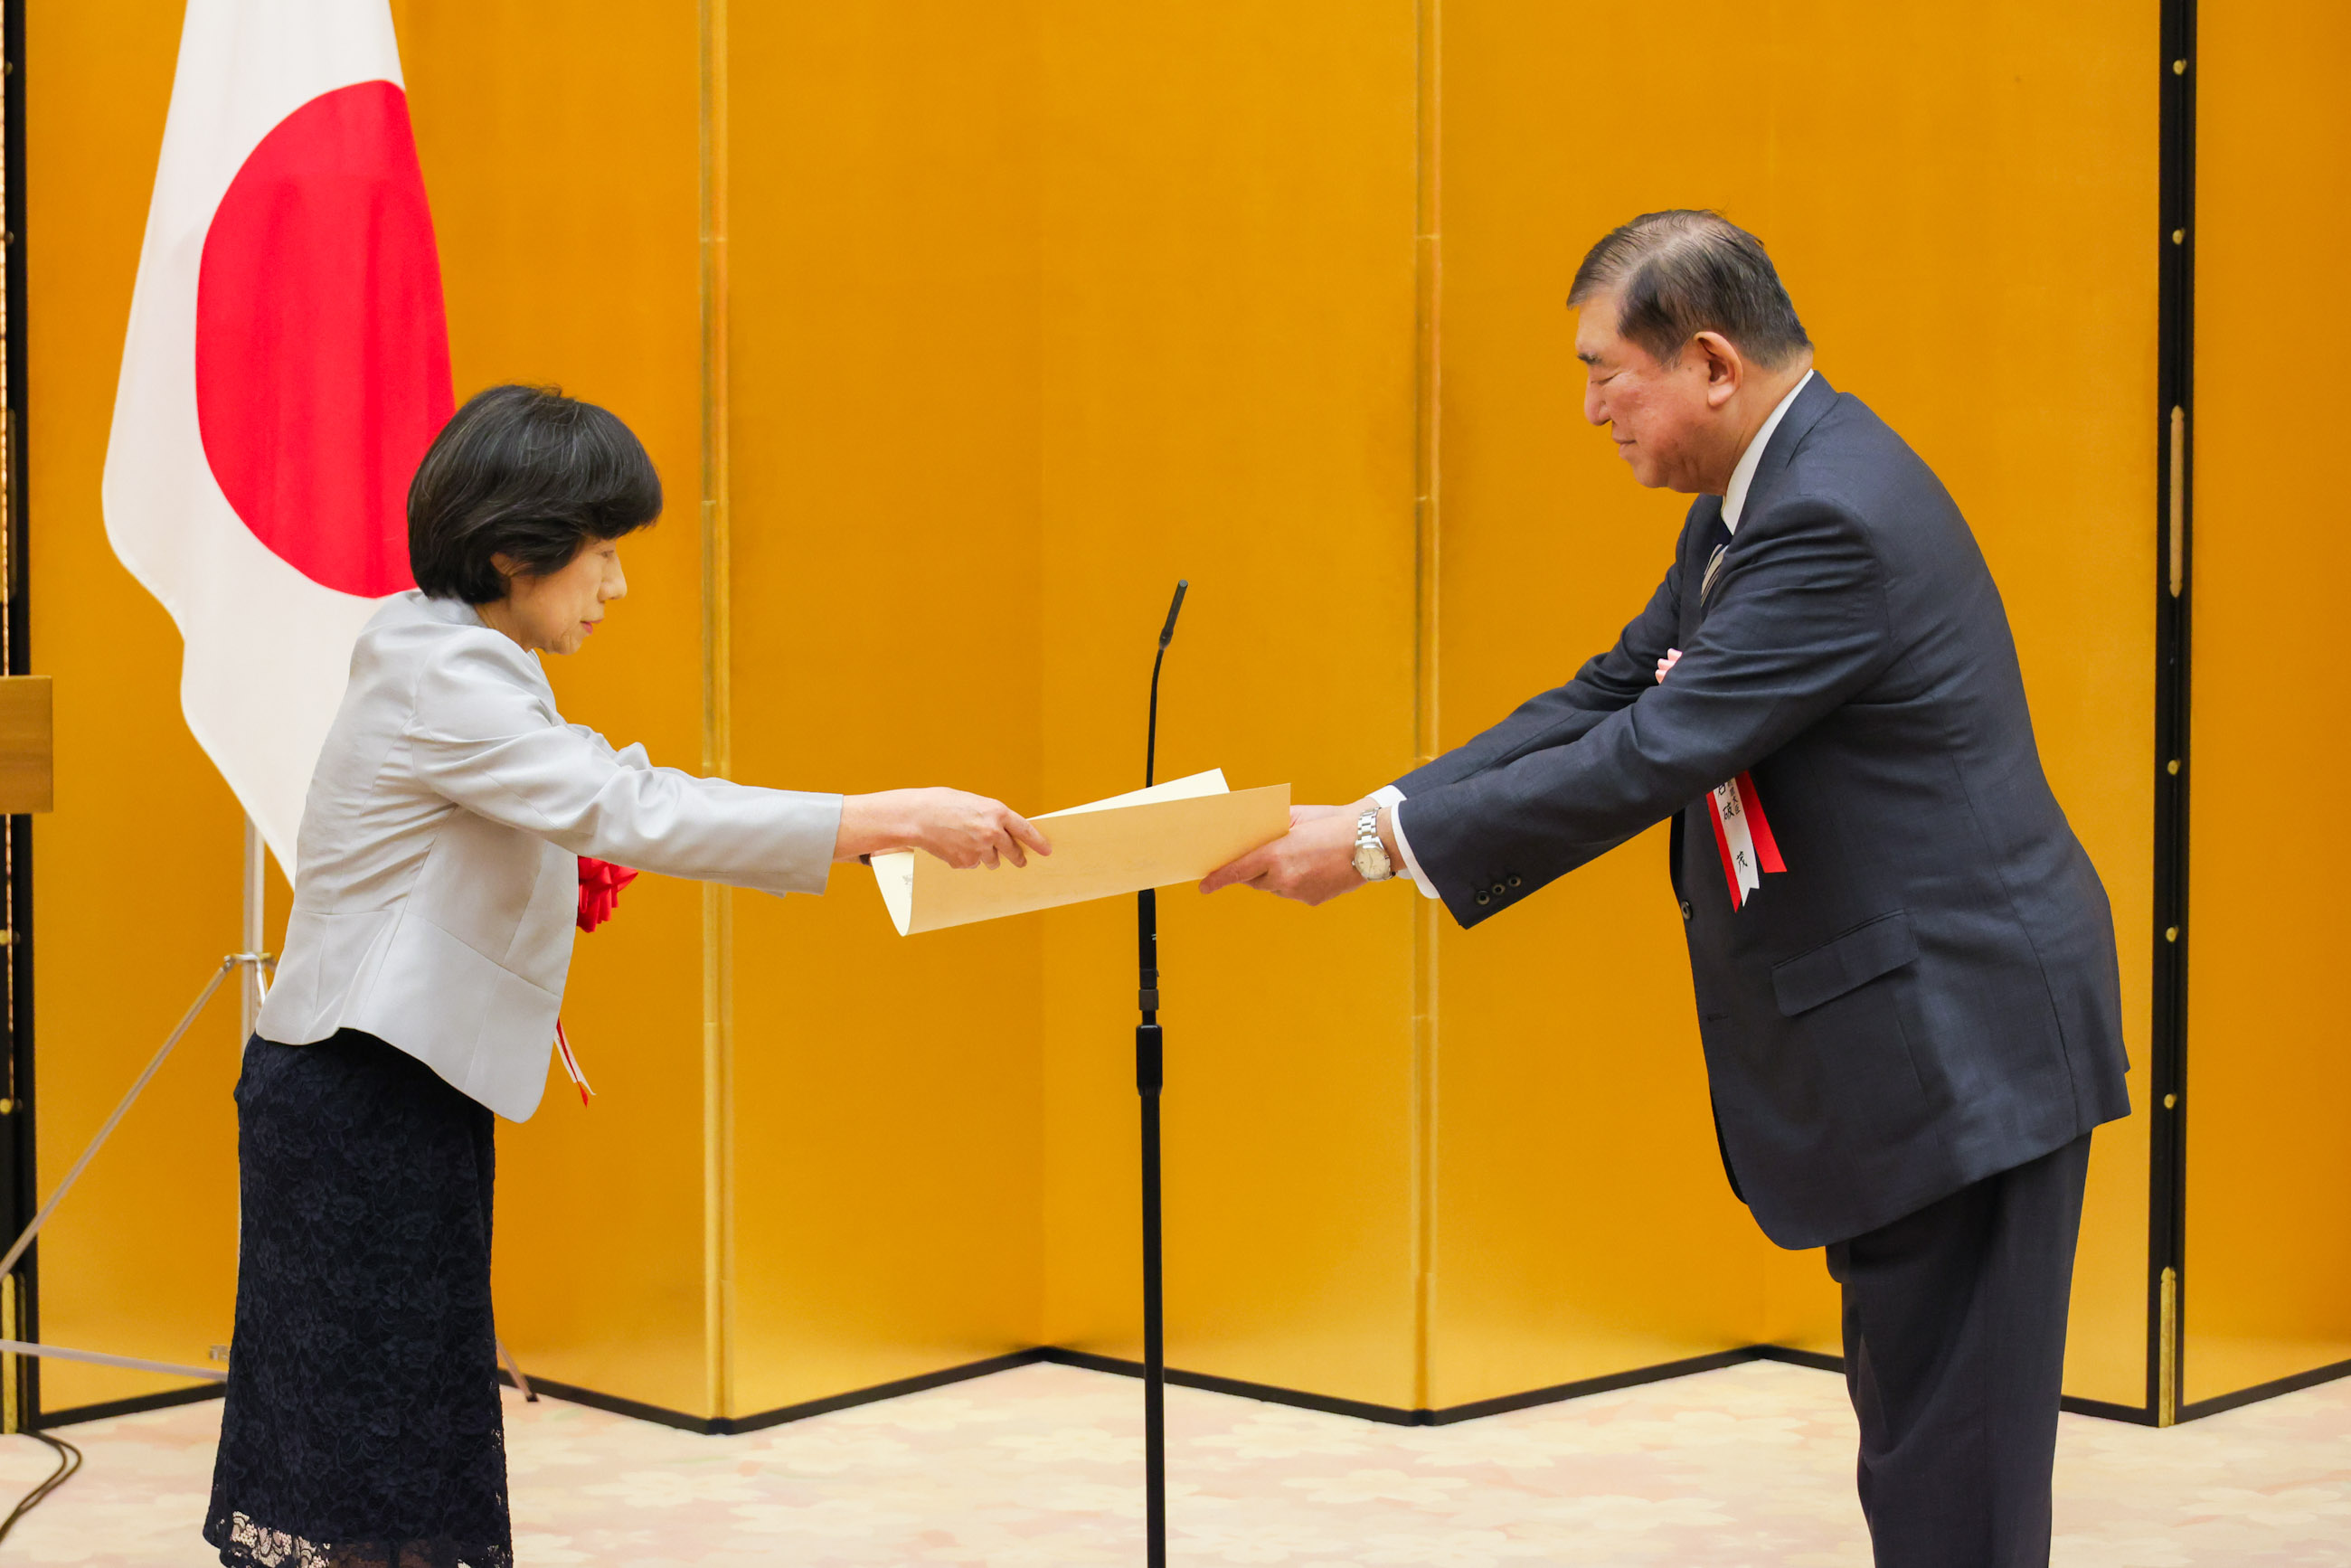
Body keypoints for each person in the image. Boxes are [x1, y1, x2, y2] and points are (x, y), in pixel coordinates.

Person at [1204, 210, 2128, 1567]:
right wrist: (1385, 806)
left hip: (1963, 1041)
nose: (1589, 410)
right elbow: (1615, 687)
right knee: (1925, 1452)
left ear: (1707, 362)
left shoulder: (1828, 518)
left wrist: (1364, 856)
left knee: (1958, 1479)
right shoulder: (1754, 499)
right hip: (1916, 1035)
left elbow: (1656, 751)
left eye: (1602, 370)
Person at [203, 384, 1048, 1568]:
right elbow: (625, 802)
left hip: (382, 1090)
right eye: (602, 553)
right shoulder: (443, 671)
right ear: (513, 549)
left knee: (388, 1446)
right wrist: (880, 814)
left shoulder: (449, 651)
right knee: (368, 1455)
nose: (617, 584)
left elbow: (591, 790)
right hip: (361, 1095)